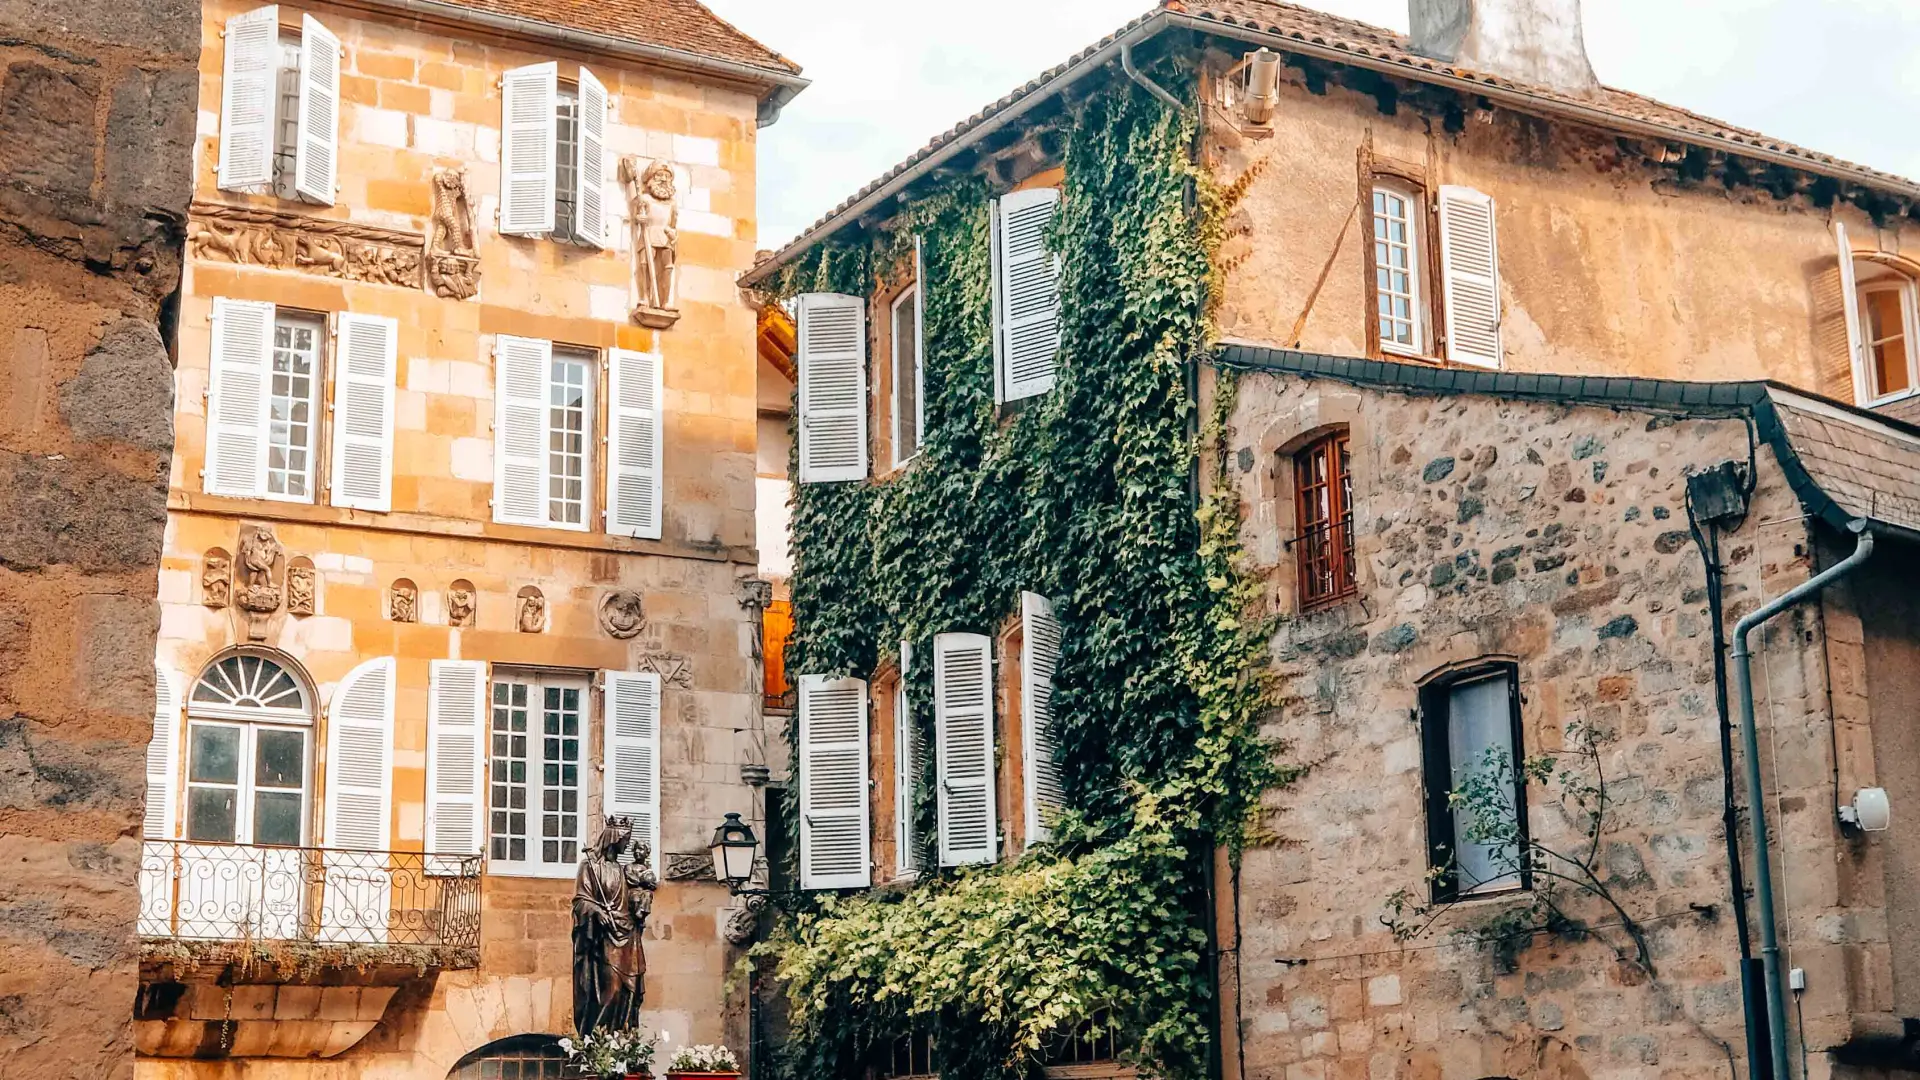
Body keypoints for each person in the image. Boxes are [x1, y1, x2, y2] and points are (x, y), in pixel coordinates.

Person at [571, 816, 657, 1037]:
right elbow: (580, 901)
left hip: (627, 935)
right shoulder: (590, 866)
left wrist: (641, 903)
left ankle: (621, 1040)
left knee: (628, 992)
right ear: (614, 838)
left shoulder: (621, 869)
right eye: (625, 840)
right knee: (612, 990)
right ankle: (598, 1043)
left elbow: (632, 897)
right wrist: (597, 912)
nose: (627, 846)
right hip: (604, 939)